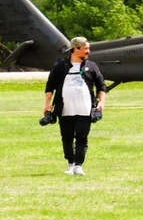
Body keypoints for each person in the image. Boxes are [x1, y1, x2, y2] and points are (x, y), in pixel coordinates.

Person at [44, 37, 107, 176]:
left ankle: (78, 165)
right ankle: (70, 163)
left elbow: (101, 85)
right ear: (75, 49)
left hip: (85, 109)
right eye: (85, 48)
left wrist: (101, 102)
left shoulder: (92, 66)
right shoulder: (61, 66)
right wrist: (47, 104)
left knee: (82, 137)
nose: (88, 51)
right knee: (66, 137)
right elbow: (50, 85)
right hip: (65, 109)